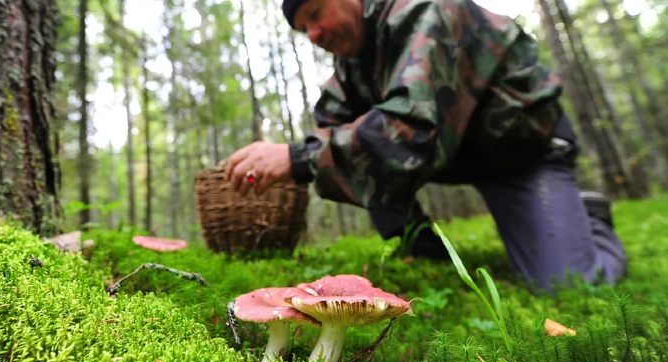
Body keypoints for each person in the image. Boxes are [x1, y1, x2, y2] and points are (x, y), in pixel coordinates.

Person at [224, 0, 626, 292]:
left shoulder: (423, 11)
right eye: (303, 30)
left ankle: (591, 221)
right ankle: (419, 243)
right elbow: (332, 130)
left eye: (315, 14)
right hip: (455, 153)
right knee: (350, 145)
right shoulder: (350, 70)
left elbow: (410, 129)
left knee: (569, 286)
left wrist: (296, 157)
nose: (313, 35)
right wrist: (300, 154)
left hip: (524, 150)